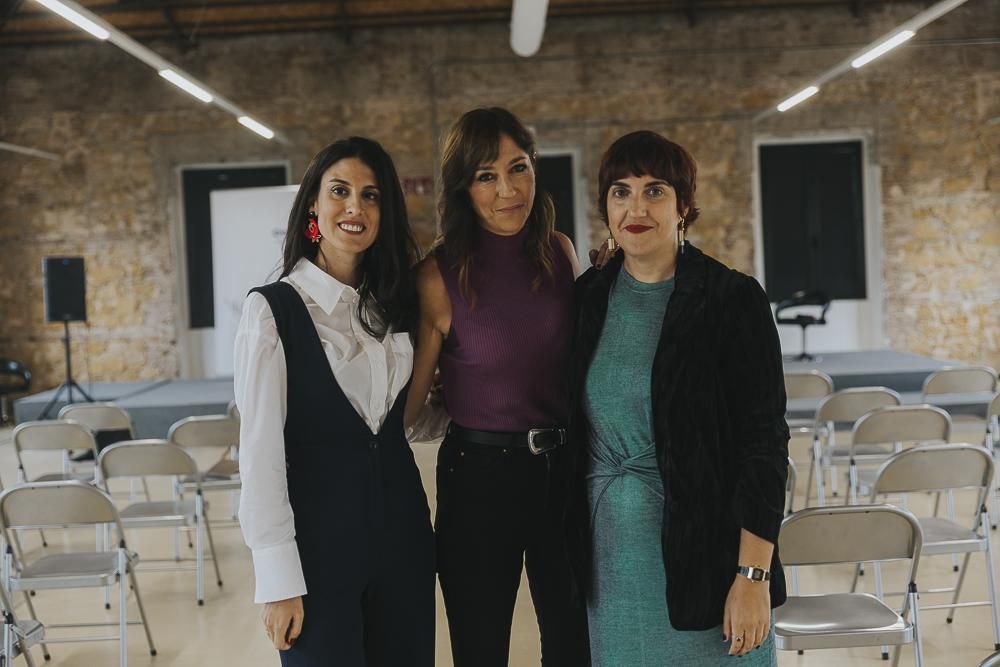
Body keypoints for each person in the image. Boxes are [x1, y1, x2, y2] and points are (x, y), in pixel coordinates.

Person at [566, 130, 789, 665]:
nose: (635, 207)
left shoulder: (732, 298)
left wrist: (752, 576)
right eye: (620, 192)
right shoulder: (587, 298)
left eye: (655, 191)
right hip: (609, 561)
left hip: (707, 557)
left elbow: (764, 446)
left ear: (684, 206)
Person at [234, 137, 434, 666]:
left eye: (371, 196)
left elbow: (405, 424)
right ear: (314, 209)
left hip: (405, 538)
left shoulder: (396, 307)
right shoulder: (273, 311)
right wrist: (276, 579)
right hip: (316, 549)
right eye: (340, 191)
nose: (356, 207)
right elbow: (259, 454)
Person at [404, 107, 590, 667]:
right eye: (487, 175)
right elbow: (409, 410)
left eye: (519, 167)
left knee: (573, 645)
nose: (508, 190)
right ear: (463, 187)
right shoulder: (437, 275)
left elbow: (581, 364)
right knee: (480, 648)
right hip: (479, 477)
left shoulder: (560, 251)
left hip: (563, 472)